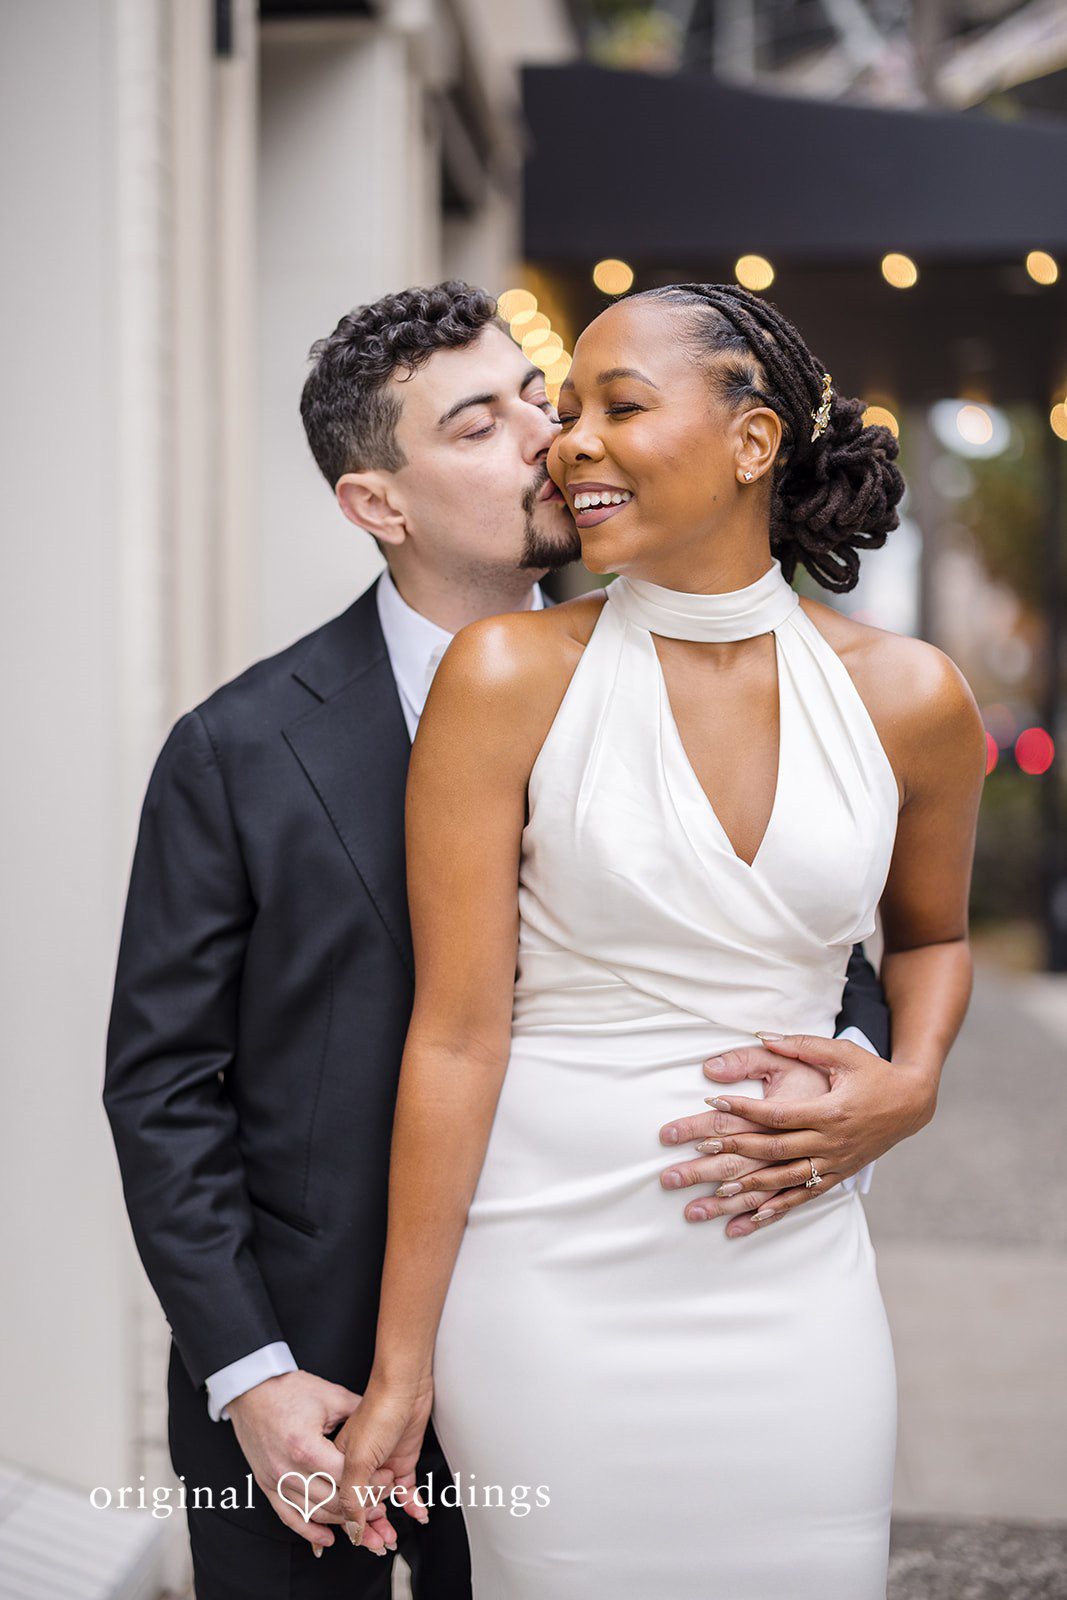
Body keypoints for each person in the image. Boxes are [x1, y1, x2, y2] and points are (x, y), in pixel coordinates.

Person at [103, 281, 891, 1598]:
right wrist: (251, 1373)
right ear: (379, 505)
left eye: (544, 398)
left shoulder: (685, 676)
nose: (550, 439)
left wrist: (862, 1077)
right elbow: (163, 1088)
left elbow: (809, 940)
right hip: (315, 1375)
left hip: (595, 1338)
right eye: (480, 425)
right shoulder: (234, 751)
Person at [335, 283, 986, 1598]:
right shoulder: (505, 677)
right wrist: (400, 1370)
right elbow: (454, 1037)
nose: (569, 441)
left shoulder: (912, 698)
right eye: (566, 409)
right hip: (548, 1286)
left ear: (753, 441)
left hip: (796, 1283)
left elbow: (932, 938)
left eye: (618, 406)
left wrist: (911, 1084)